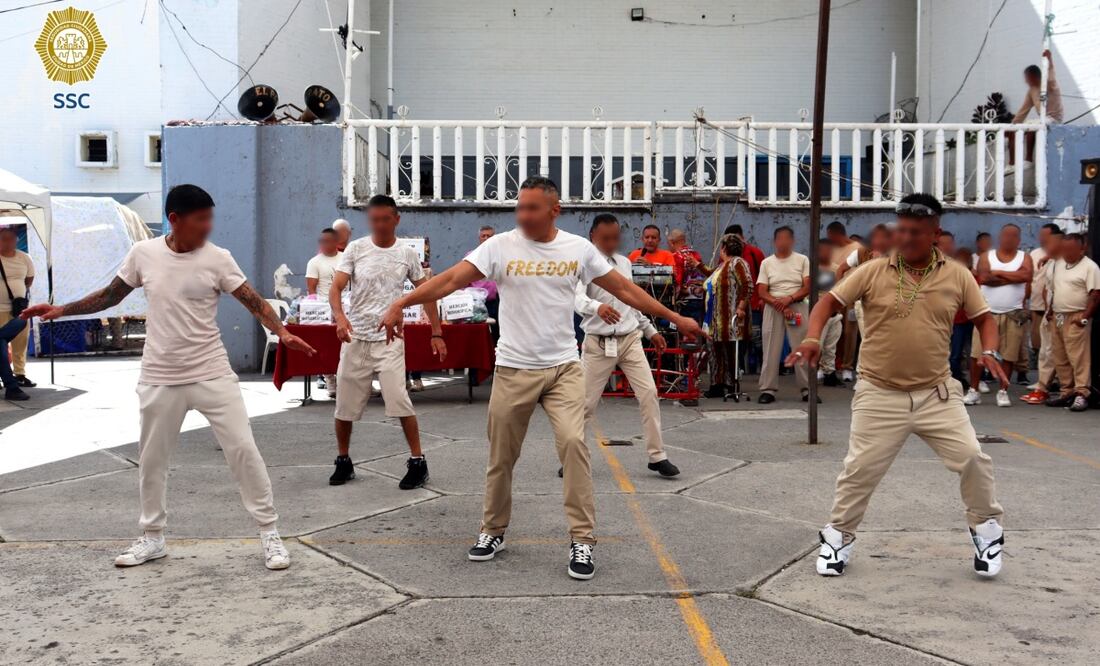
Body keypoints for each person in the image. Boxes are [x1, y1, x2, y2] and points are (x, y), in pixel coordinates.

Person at [378, 177, 703, 581]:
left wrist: (675, 319)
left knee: (573, 444)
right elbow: (449, 280)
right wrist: (400, 302)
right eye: (520, 207)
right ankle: (492, 530)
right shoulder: (499, 246)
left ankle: (582, 538)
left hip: (564, 368)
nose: (523, 216)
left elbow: (626, 289)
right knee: (501, 456)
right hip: (513, 369)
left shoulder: (578, 249)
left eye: (532, 208)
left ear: (555, 210)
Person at [21, 184, 316, 570]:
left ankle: (269, 532)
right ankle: (152, 537)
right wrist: (62, 309)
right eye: (201, 220)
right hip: (160, 375)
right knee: (152, 460)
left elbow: (253, 300)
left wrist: (281, 330)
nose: (209, 227)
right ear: (174, 220)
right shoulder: (144, 254)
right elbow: (111, 296)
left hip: (211, 372)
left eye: (211, 218)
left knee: (243, 451)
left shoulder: (218, 258)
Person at [787, 192, 1006, 579]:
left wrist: (990, 350)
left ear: (935, 233)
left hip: (936, 393)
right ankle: (837, 537)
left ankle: (987, 531)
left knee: (973, 457)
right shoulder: (872, 271)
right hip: (879, 392)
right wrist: (811, 339)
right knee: (860, 470)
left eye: (916, 232)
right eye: (901, 230)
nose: (905, 238)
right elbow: (826, 304)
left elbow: (984, 318)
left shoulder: (957, 275)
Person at [327, 195, 446, 489]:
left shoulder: (406, 254)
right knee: (344, 405)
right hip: (356, 338)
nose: (379, 225)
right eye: (374, 220)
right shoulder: (356, 249)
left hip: (390, 339)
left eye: (385, 219)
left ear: (396, 220)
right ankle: (344, 460)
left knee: (399, 400)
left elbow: (427, 292)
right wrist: (340, 317)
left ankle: (417, 461)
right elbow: (337, 287)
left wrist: (436, 331)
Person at [574, 213, 679, 477]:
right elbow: (574, 300)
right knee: (584, 404)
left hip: (630, 339)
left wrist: (650, 330)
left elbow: (633, 301)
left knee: (649, 395)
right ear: (592, 238)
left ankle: (657, 456)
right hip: (598, 343)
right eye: (605, 238)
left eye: (615, 237)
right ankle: (573, 458)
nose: (611, 243)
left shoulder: (624, 263)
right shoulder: (582, 265)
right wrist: (597, 307)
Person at [966, 224, 1033, 407]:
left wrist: (999, 273)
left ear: (1018, 239)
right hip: (987, 313)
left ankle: (1003, 391)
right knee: (977, 353)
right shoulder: (987, 256)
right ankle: (974, 390)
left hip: (1013, 313)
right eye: (1006, 235)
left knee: (1009, 355)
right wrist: (1012, 276)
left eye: (1013, 236)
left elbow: (1026, 275)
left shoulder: (1024, 257)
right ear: (1000, 237)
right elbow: (985, 277)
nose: (1009, 238)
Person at [1043, 233, 1099, 412]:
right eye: (1064, 249)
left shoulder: (1090, 267)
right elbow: (1053, 289)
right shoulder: (1058, 264)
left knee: (1079, 358)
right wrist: (1050, 310)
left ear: (1082, 248)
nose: (1066, 253)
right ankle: (1066, 392)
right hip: (1058, 315)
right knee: (1060, 357)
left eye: (1071, 249)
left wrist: (1084, 317)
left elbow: (1095, 294)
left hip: (1076, 315)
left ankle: (1082, 393)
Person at [757, 226, 812, 404]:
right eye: (779, 239)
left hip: (796, 305)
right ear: (774, 242)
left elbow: (807, 287)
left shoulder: (802, 260)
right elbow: (762, 291)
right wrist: (780, 304)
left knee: (801, 347)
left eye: (786, 238)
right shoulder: (767, 263)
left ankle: (807, 389)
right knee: (771, 349)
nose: (783, 242)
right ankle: (768, 389)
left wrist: (790, 299)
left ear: (793, 241)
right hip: (774, 307)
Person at [703, 233, 754, 398]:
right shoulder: (721, 266)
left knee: (731, 352)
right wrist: (696, 265)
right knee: (715, 352)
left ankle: (732, 384)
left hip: (731, 317)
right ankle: (717, 384)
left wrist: (741, 307)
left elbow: (747, 285)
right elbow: (709, 274)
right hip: (715, 319)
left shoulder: (738, 263)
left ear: (723, 248)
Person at [1021, 224, 1064, 403]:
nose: (1047, 245)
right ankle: (1043, 387)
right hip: (1049, 312)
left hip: (1063, 313)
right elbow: (1047, 289)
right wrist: (1048, 309)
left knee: (1056, 352)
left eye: (1052, 243)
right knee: (1046, 351)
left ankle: (1057, 388)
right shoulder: (1051, 262)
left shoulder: (1067, 263)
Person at [306, 227, 343, 397]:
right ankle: (329, 378)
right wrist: (317, 309)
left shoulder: (345, 259)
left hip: (346, 308)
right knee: (327, 346)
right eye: (321, 241)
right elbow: (311, 290)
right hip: (324, 310)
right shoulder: (314, 262)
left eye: (327, 240)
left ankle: (350, 380)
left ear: (337, 242)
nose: (323, 244)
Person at [1009, 50, 1063, 165]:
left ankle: (1028, 159)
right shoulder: (1031, 91)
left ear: (1034, 76)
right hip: (1041, 120)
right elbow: (1023, 111)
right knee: (1013, 130)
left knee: (1032, 125)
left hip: (1054, 119)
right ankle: (1011, 163)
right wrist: (1012, 125)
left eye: (1027, 78)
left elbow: (1052, 76)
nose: (1026, 81)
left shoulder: (1048, 84)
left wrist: (1050, 60)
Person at [826, 221, 864, 383]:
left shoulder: (857, 249)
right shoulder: (832, 250)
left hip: (853, 296)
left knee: (850, 332)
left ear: (836, 234)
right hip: (836, 293)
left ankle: (847, 367)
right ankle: (830, 365)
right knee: (834, 332)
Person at [725, 224, 766, 373]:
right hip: (733, 305)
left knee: (757, 338)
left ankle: (763, 366)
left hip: (754, 303)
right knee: (738, 337)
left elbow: (764, 277)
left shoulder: (755, 253)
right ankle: (739, 367)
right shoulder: (725, 256)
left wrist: (762, 298)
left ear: (742, 237)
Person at [0, 226, 36, 388]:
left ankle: (19, 374)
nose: (9, 242)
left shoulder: (24, 258)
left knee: (21, 342)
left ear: (17, 240)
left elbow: (29, 279)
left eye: (12, 239)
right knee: (0, 344)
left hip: (18, 309)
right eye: (4, 239)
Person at [815, 238, 844, 387]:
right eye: (822, 249)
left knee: (831, 347)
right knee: (817, 345)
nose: (825, 252)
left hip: (835, 314)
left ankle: (829, 373)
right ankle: (810, 374)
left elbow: (843, 290)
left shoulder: (836, 269)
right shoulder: (812, 269)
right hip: (819, 314)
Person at [667, 228, 709, 323]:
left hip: (686, 299)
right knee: (697, 326)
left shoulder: (676, 256)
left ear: (672, 242)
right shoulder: (695, 254)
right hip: (699, 296)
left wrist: (674, 296)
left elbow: (678, 279)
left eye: (668, 244)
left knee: (686, 330)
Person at [950, 247, 976, 391]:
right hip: (957, 322)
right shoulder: (951, 278)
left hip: (971, 321)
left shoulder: (973, 278)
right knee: (956, 353)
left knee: (972, 352)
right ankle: (956, 378)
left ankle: (975, 381)